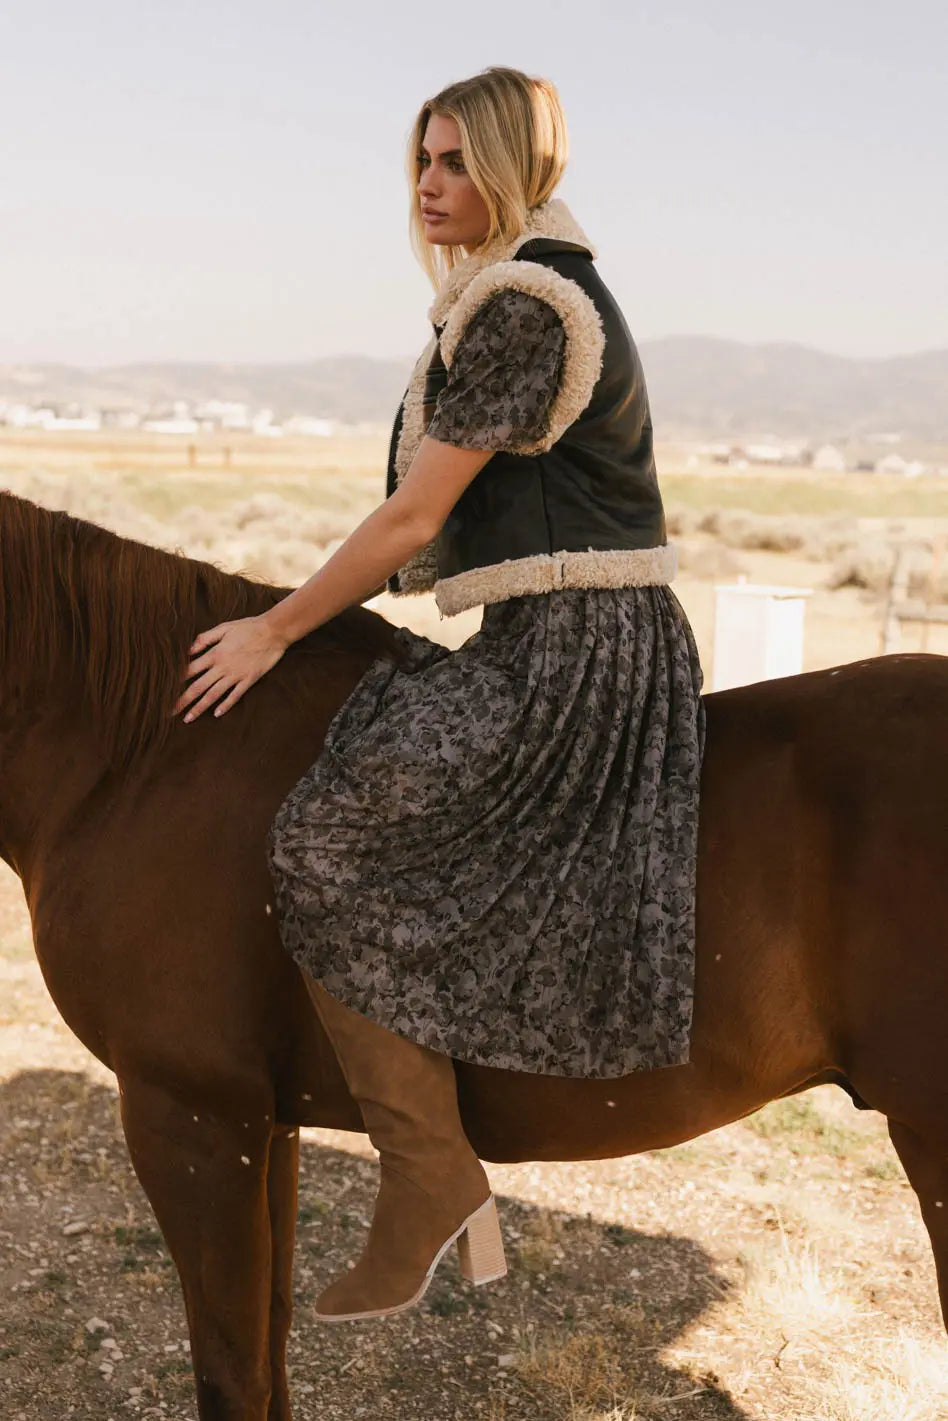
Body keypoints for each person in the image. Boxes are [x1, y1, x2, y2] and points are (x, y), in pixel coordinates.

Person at [174, 66, 705, 1323]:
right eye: (422, 156)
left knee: (319, 842)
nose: (429, 182)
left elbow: (418, 512)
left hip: (580, 648)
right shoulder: (519, 291)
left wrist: (276, 627)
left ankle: (429, 1172)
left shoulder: (527, 304)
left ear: (517, 169)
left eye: (459, 160)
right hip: (550, 629)